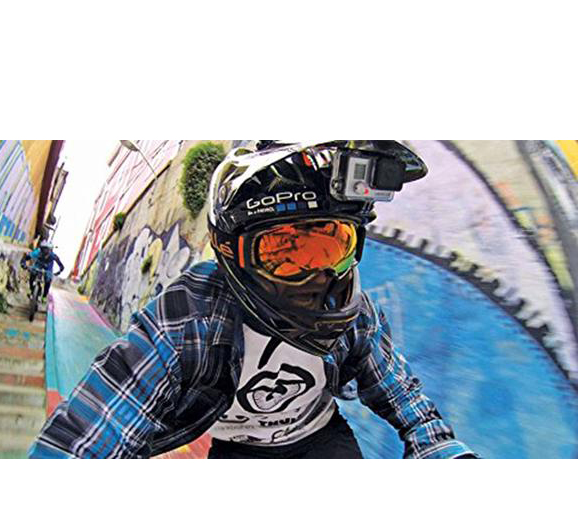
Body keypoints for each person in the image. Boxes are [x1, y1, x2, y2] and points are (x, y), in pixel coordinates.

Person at [28, 140, 478, 459]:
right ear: (230, 253)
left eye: (331, 245)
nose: (319, 276)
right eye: (285, 252)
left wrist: (446, 454)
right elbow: (97, 424)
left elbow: (406, 400)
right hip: (237, 449)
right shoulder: (187, 317)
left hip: (321, 438)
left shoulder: (354, 316)